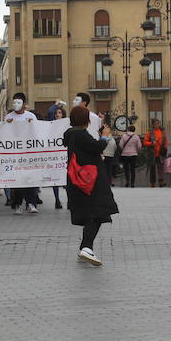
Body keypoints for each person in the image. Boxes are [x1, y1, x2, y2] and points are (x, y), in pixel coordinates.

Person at [65, 106, 119, 266]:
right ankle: (87, 247)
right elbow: (97, 147)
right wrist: (104, 137)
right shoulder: (79, 134)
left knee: (93, 214)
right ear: (86, 120)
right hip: (90, 182)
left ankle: (85, 247)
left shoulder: (72, 134)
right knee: (98, 213)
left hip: (79, 181)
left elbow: (88, 150)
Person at [4, 94, 41, 213]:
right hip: (15, 155)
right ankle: (17, 204)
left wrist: (33, 124)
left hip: (29, 154)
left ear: (24, 104)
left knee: (31, 179)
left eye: (18, 102)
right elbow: (2, 134)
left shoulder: (31, 116)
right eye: (14, 102)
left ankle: (31, 203)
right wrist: (6, 125)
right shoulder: (8, 117)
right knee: (17, 181)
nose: (16, 105)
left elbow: (37, 133)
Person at [44, 102, 68, 208]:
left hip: (64, 155)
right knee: (55, 180)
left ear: (63, 114)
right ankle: (57, 200)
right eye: (56, 113)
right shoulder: (51, 124)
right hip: (54, 155)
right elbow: (49, 112)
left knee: (67, 180)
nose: (57, 114)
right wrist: (55, 105)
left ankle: (69, 201)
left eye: (59, 112)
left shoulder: (67, 124)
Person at [143, 119, 167, 188]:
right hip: (152, 154)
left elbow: (165, 141)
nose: (157, 125)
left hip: (161, 153)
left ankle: (161, 182)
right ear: (153, 124)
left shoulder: (162, 132)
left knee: (161, 168)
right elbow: (144, 142)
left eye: (158, 123)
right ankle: (152, 183)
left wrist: (165, 147)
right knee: (152, 169)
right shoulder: (149, 133)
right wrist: (151, 143)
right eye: (156, 123)